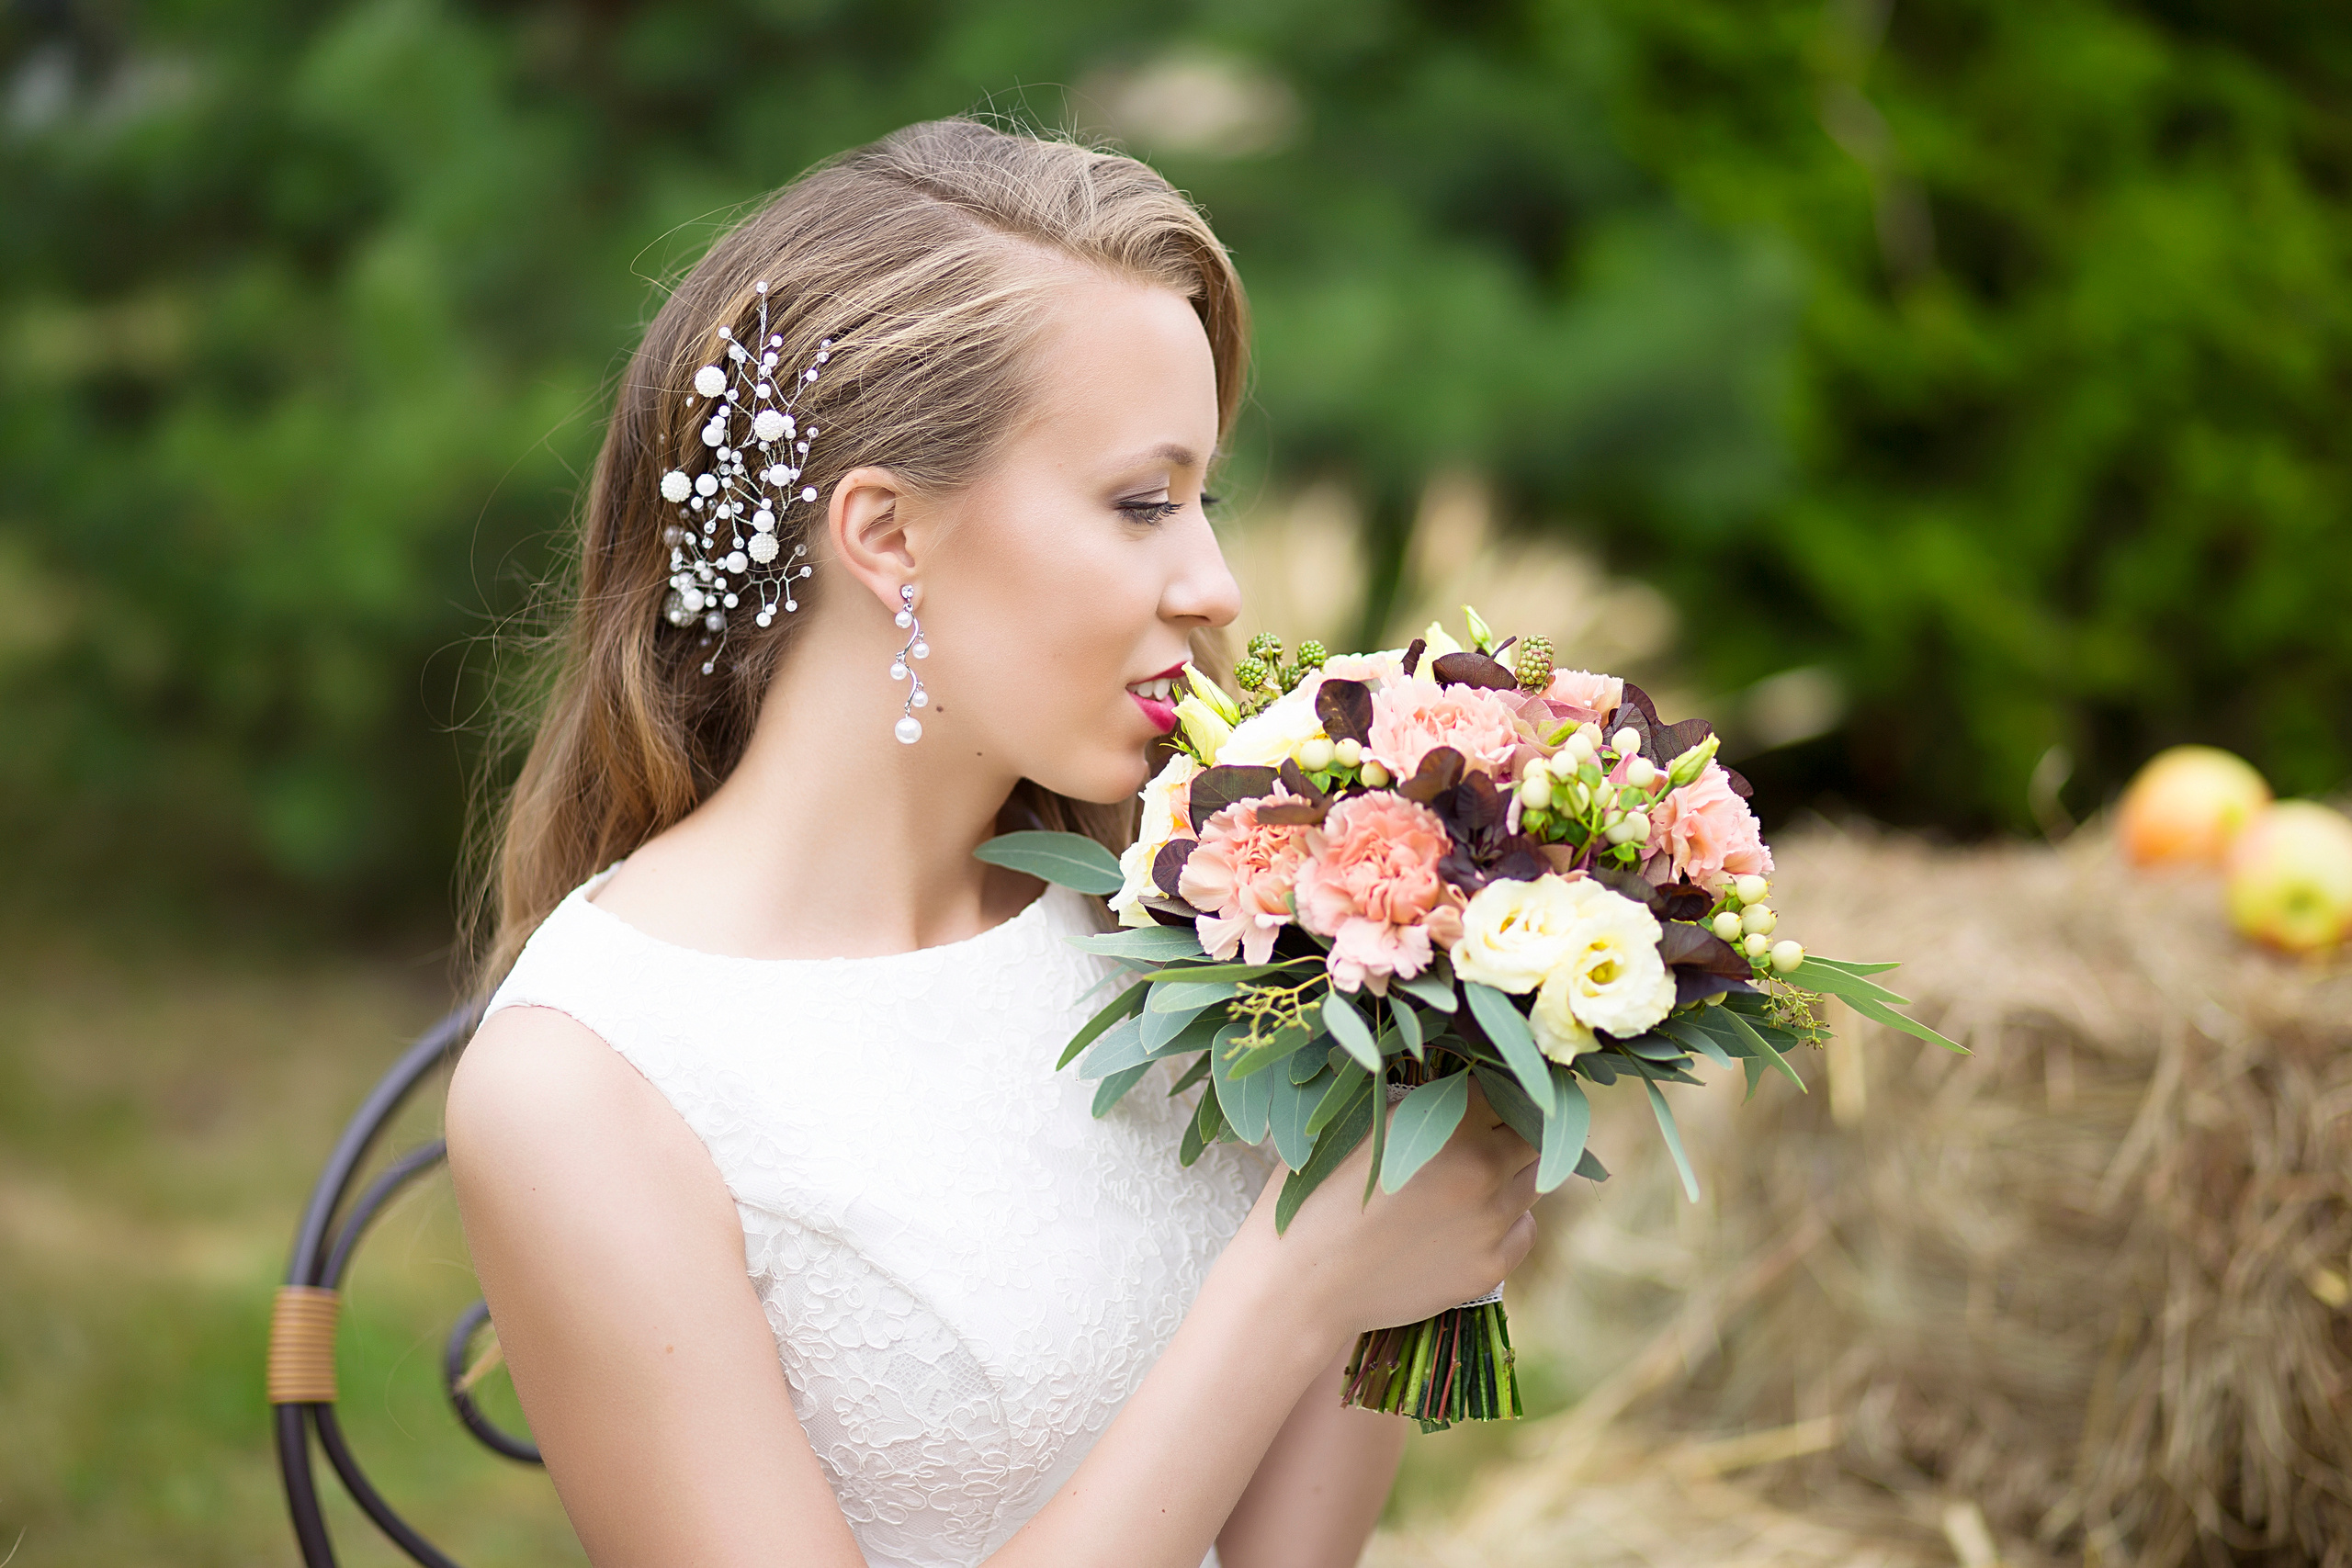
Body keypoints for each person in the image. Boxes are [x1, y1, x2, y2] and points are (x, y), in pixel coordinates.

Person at [447, 118, 1542, 1568]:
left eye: (1206, 498)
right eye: (1142, 502)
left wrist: (1431, 1062)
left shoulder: (1191, 926)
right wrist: (1293, 1287)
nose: (1212, 581)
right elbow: (1284, 1306)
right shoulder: (581, 1086)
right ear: (886, 532)